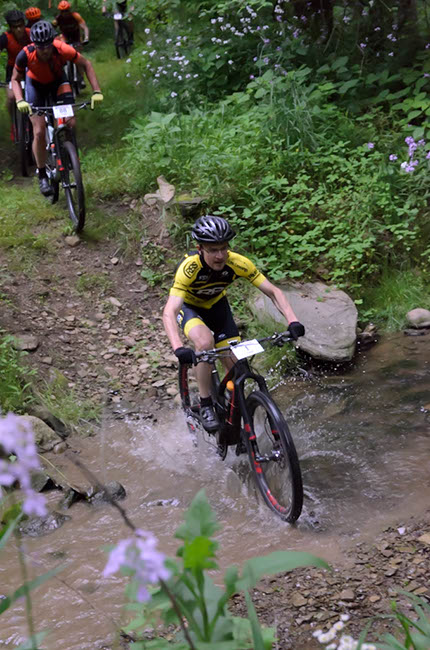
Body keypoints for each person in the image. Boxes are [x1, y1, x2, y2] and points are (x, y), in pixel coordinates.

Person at [162, 215, 305, 432]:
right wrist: (178, 348)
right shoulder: (189, 269)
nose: (220, 256)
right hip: (190, 309)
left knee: (237, 366)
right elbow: (169, 312)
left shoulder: (238, 263)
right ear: (200, 248)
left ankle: (237, 411)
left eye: (223, 248)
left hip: (218, 308)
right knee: (204, 342)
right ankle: (205, 402)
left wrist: (292, 321)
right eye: (213, 250)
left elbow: (273, 292)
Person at [12, 20, 103, 196]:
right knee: (39, 131)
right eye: (40, 46)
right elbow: (15, 79)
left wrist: (97, 91)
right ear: (34, 44)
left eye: (47, 45)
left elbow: (86, 64)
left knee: (70, 122)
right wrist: (19, 100)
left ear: (52, 42)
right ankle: (42, 174)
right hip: (35, 86)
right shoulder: (25, 54)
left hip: (58, 82)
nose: (45, 50)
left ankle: (67, 154)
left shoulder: (62, 49)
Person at [0, 10, 31, 124]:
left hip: (31, 69)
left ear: (24, 24)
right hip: (12, 70)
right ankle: (15, 124)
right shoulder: (5, 38)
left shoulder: (31, 33)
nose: (19, 29)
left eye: (21, 25)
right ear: (10, 28)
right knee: (12, 98)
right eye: (15, 27)